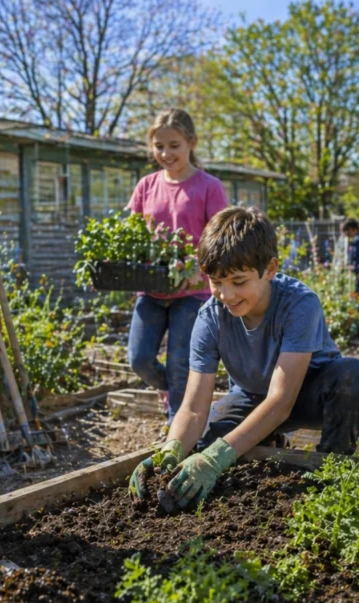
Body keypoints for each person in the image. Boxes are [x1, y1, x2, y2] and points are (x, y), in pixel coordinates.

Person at [128, 207, 359, 509]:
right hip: (252, 397)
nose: (226, 294)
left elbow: (282, 401)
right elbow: (193, 409)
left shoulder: (299, 305)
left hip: (309, 395)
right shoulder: (210, 318)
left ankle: (331, 472)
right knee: (204, 442)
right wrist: (169, 451)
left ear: (269, 269)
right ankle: (268, 439)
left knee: (353, 376)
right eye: (216, 281)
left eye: (238, 281)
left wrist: (217, 459)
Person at [127, 109, 230, 423]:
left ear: (191, 143)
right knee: (139, 359)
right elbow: (129, 235)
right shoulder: (146, 186)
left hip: (193, 291)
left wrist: (203, 269)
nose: (165, 153)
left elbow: (220, 237)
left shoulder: (209, 187)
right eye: (159, 146)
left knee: (179, 364)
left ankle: (177, 431)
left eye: (174, 145)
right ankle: (172, 390)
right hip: (152, 287)